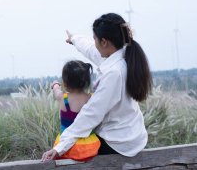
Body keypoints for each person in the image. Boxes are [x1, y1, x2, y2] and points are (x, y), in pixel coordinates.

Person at [42, 13, 153, 161]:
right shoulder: (124, 56)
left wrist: (60, 146)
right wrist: (74, 39)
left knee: (75, 152)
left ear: (105, 42)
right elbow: (91, 50)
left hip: (118, 143)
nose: (93, 42)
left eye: (95, 39)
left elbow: (92, 113)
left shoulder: (114, 73)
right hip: (132, 135)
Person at [50, 60, 101, 161]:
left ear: (64, 82)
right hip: (89, 147)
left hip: (67, 148)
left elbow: (56, 90)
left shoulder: (62, 98)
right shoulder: (92, 98)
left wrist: (55, 84)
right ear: (86, 82)